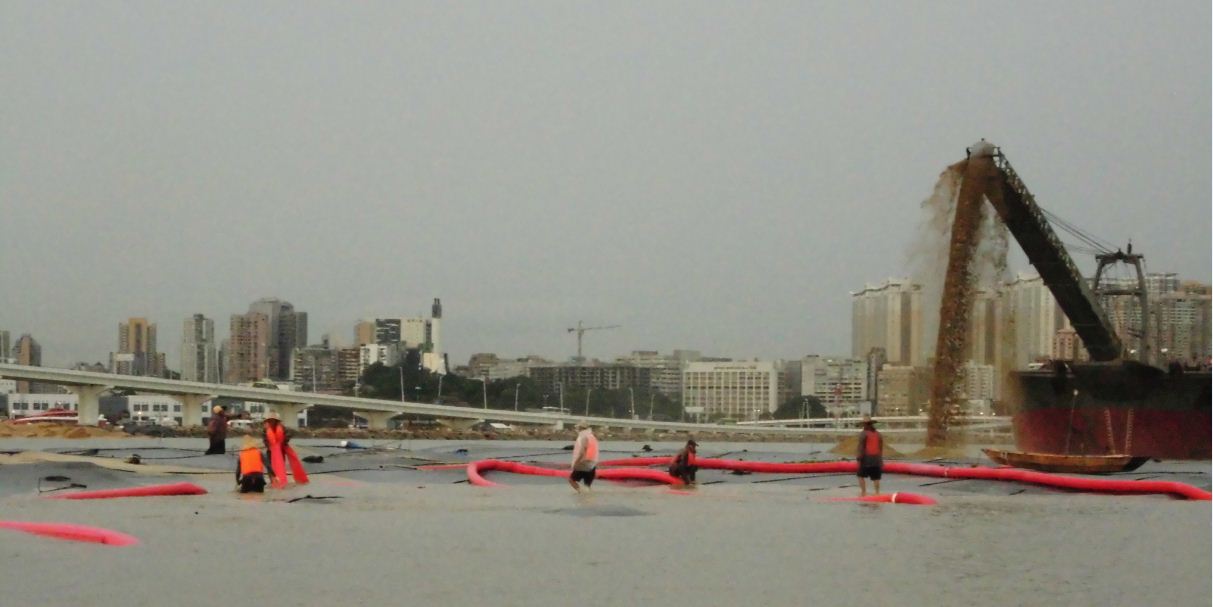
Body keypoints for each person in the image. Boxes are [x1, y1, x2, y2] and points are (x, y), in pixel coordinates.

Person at [856, 414, 883, 497]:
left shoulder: (863, 434)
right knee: (876, 477)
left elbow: (861, 447)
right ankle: (877, 493)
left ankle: (863, 492)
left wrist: (858, 458)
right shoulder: (878, 434)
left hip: (866, 458)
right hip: (876, 459)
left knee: (860, 476)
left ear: (864, 425)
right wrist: (880, 459)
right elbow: (880, 447)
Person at [567, 422, 598, 493]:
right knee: (587, 486)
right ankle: (587, 499)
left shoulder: (583, 437)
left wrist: (576, 463)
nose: (577, 429)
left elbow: (582, 452)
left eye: (578, 428)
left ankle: (581, 493)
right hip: (592, 464)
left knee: (571, 480)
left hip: (583, 464)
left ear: (581, 428)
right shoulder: (592, 437)